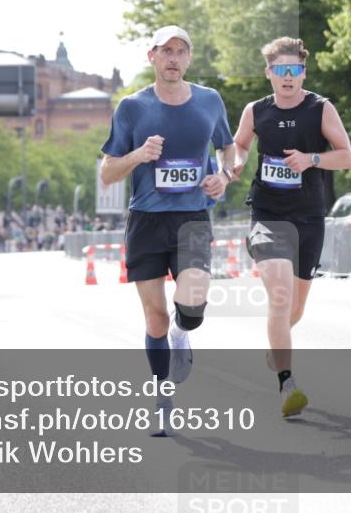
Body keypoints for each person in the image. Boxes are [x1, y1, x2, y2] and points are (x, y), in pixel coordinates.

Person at [100, 25, 235, 436]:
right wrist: (139, 155)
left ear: (189, 59)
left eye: (181, 51)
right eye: (166, 51)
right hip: (146, 219)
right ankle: (162, 397)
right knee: (154, 318)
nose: (173, 58)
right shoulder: (132, 108)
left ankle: (183, 333)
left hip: (192, 216)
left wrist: (224, 176)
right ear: (152, 57)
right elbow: (108, 172)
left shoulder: (210, 101)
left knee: (192, 303)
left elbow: (227, 148)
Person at [231, 37, 351, 417]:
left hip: (308, 217)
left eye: (295, 70)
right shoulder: (256, 111)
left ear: (303, 72)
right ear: (269, 73)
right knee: (280, 293)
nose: (288, 77)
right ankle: (287, 384)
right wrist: (234, 163)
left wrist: (312, 158)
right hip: (267, 214)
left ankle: (277, 343)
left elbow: (346, 157)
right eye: (280, 70)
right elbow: (239, 144)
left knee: (295, 308)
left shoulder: (320, 109)